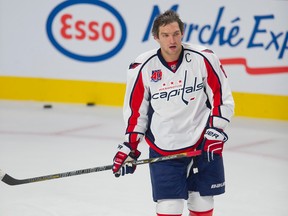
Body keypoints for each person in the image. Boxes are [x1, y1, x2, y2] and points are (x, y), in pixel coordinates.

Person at [112, 10, 234, 216]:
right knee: (169, 206)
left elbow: (221, 98)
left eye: (176, 33)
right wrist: (130, 147)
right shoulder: (142, 66)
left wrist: (216, 131)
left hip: (201, 142)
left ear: (182, 33)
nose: (172, 40)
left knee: (202, 201)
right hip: (164, 145)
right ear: (156, 37)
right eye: (166, 35)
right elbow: (136, 111)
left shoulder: (203, 58)